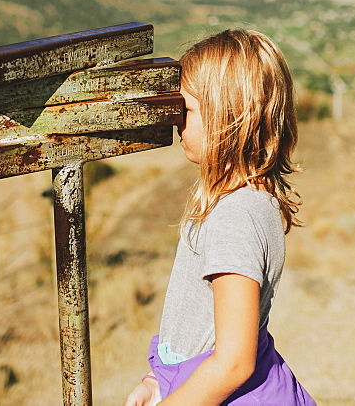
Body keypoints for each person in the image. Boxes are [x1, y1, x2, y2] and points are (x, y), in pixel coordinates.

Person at [126, 29, 316, 406]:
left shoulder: (235, 218)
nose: (177, 121)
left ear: (227, 118)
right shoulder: (246, 201)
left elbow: (233, 363)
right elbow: (197, 328)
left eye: (188, 110)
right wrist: (156, 380)